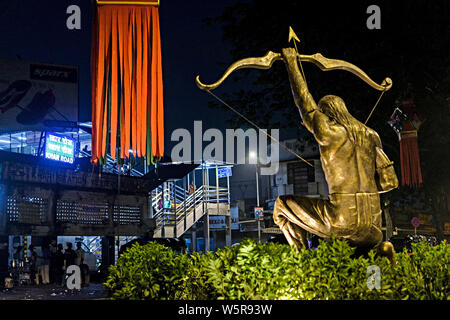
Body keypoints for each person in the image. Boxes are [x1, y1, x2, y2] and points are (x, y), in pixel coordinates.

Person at [272, 48, 399, 263]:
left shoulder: (329, 131)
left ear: (326, 114)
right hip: (374, 225)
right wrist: (363, 189)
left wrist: (291, 62)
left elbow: (304, 103)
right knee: (356, 256)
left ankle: (302, 263)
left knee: (281, 207)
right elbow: (390, 182)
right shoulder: (371, 135)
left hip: (342, 219)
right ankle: (382, 251)